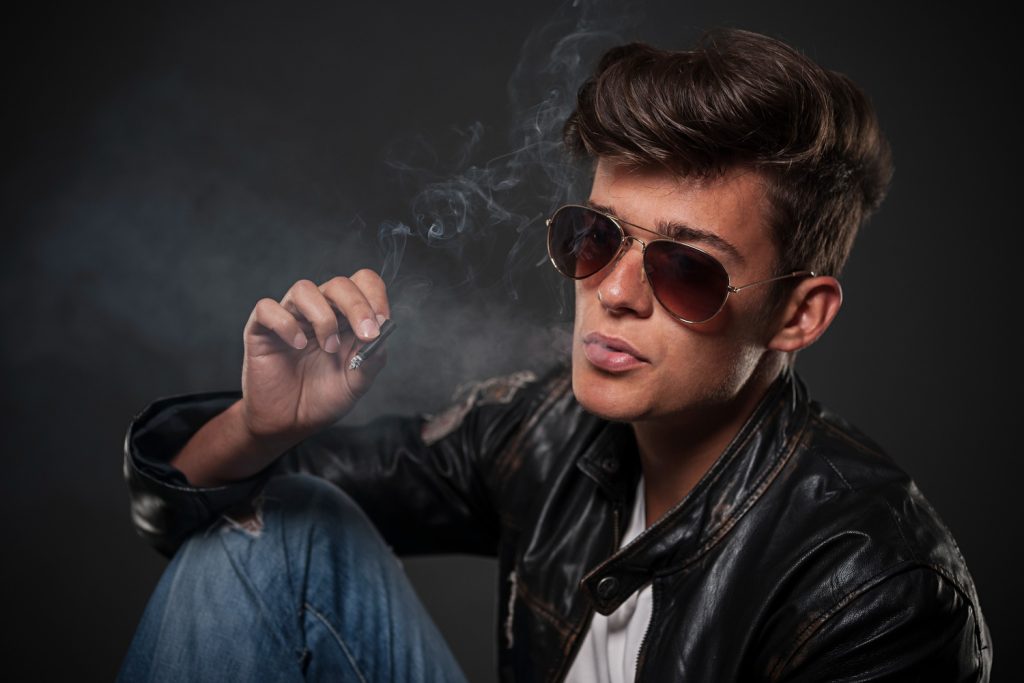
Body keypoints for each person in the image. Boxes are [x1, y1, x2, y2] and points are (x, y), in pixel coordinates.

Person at [118, 28, 992, 682]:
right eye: (594, 236)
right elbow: (213, 525)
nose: (613, 290)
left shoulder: (879, 589)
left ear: (799, 314)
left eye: (686, 268)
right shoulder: (542, 429)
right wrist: (260, 425)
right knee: (269, 537)